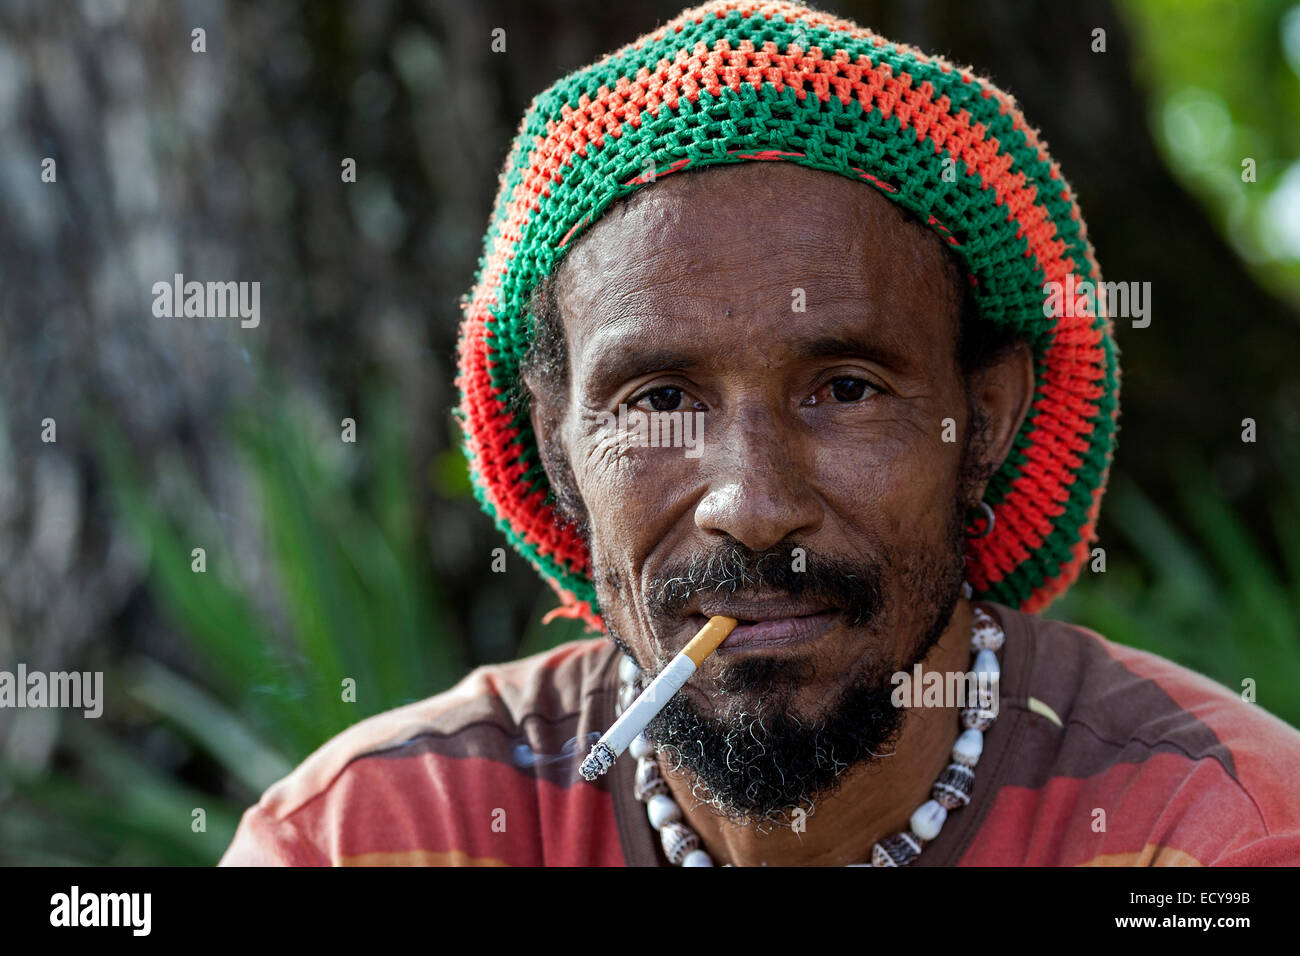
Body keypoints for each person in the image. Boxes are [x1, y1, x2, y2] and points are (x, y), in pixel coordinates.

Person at [220, 0, 1300, 866]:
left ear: (982, 424)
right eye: (656, 400)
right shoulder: (363, 835)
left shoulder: (1215, 832)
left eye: (844, 387)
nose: (751, 501)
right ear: (554, 449)